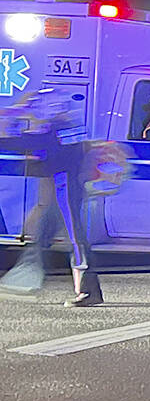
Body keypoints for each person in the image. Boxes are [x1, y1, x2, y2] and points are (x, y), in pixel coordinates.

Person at [0, 89, 103, 307]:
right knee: (44, 235)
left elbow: (20, 144)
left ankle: (87, 290)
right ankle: (25, 279)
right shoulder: (70, 126)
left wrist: (14, 117)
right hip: (65, 187)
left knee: (75, 239)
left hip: (64, 188)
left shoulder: (57, 129)